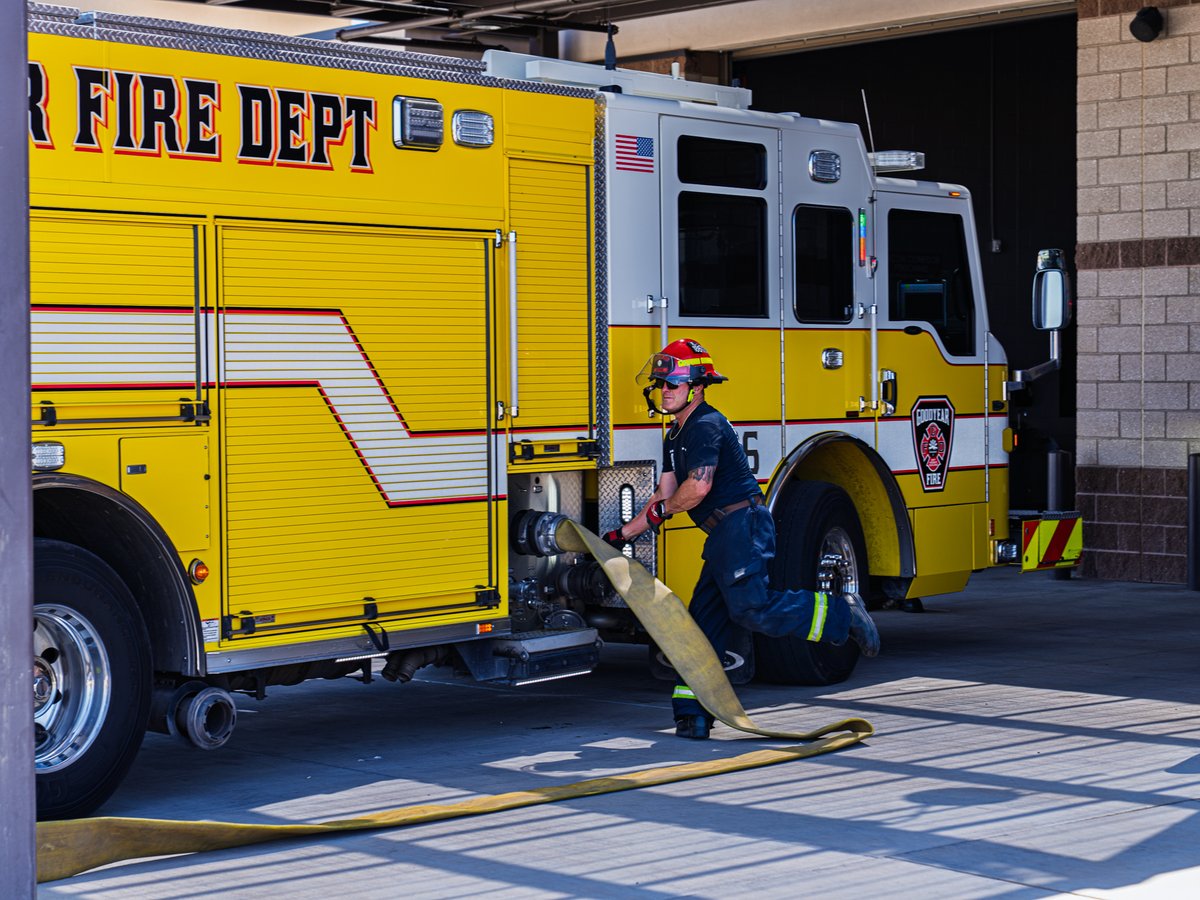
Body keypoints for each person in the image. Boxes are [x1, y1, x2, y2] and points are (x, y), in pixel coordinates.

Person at [603, 338, 880, 740]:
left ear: (697, 388)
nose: (664, 390)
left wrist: (660, 514)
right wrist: (622, 534)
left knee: (752, 610)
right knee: (700, 627)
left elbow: (697, 488)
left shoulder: (706, 425)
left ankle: (842, 613)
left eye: (673, 384)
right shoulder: (674, 436)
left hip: (743, 526)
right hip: (722, 535)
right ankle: (694, 714)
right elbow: (664, 494)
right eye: (661, 383)